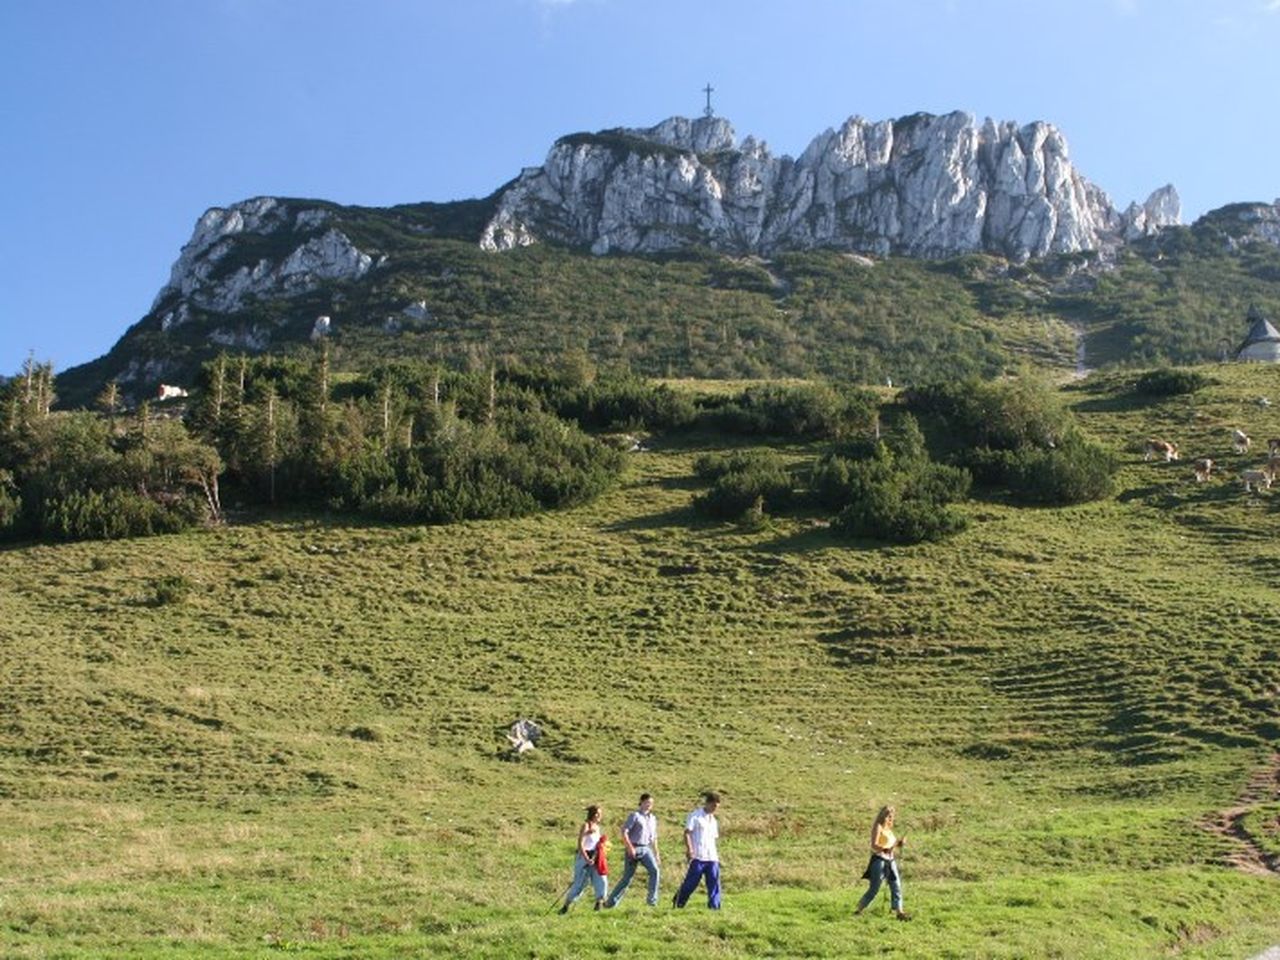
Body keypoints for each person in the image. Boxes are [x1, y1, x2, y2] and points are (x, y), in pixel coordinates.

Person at [604, 793, 661, 908]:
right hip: (634, 846)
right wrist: (630, 847)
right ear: (641, 802)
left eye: (651, 803)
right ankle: (611, 902)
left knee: (655, 871)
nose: (649, 805)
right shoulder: (635, 816)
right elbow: (624, 832)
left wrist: (656, 853)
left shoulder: (652, 818)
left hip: (646, 848)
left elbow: (654, 837)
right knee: (627, 878)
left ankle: (652, 901)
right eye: (647, 803)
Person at [854, 805, 911, 921]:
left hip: (890, 860)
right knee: (874, 888)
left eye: (891, 816)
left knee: (896, 886)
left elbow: (892, 845)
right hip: (879, 860)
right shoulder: (878, 827)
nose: (889, 818)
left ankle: (899, 912)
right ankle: (859, 910)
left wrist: (900, 843)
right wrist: (885, 849)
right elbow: (874, 845)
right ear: (882, 815)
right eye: (887, 815)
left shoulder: (889, 829)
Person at [673, 791, 721, 909]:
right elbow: (687, 833)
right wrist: (690, 849)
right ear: (708, 803)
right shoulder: (695, 816)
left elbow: (713, 838)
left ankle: (714, 906)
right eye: (714, 806)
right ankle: (679, 901)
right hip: (698, 855)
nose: (715, 809)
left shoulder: (713, 820)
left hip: (712, 856)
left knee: (714, 881)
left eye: (717, 807)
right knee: (691, 882)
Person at [559, 804, 609, 913]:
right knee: (580, 883)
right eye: (599, 814)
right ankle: (566, 905)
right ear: (594, 815)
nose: (600, 816)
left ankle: (599, 902)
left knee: (601, 879)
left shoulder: (597, 827)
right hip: (584, 857)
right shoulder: (586, 825)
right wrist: (586, 858)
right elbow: (580, 844)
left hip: (596, 856)